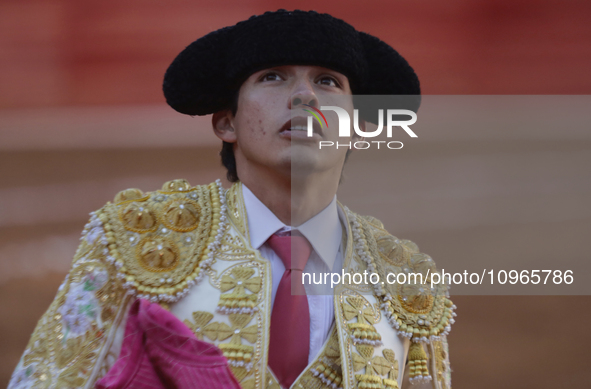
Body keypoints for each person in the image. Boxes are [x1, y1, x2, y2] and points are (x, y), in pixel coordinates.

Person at [9, 9, 455, 389]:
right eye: (273, 77)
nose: (304, 96)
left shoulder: (408, 281)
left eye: (328, 81)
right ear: (226, 124)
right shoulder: (132, 241)